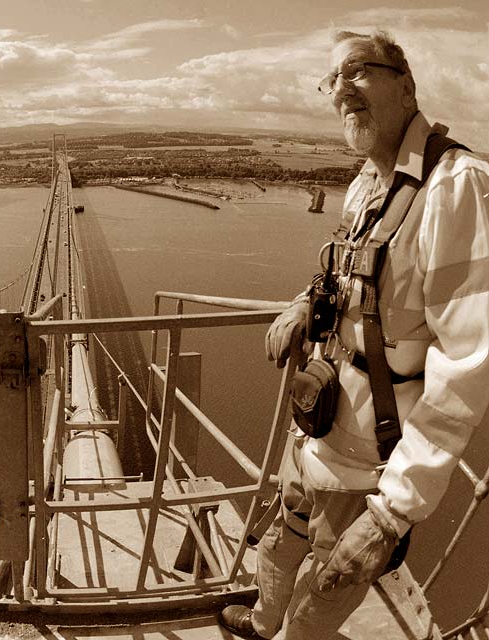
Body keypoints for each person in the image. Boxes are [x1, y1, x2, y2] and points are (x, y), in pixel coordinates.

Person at [219, 28, 489, 639]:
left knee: (329, 582)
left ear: (406, 84)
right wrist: (298, 305)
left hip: (369, 459)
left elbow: (468, 362)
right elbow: (345, 274)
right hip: (318, 419)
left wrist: (395, 514)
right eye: (332, 80)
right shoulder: (367, 184)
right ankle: (263, 623)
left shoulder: (455, 188)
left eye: (358, 71)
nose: (341, 89)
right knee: (283, 537)